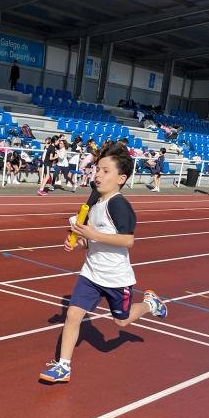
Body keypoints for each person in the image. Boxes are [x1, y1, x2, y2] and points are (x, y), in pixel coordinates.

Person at [39, 145, 167, 383]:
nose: (98, 174)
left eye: (106, 171)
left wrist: (93, 234)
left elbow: (128, 240)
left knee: (121, 321)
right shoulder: (94, 205)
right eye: (97, 169)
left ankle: (150, 304)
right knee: (73, 314)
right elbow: (90, 242)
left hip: (116, 277)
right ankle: (63, 366)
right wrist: (78, 243)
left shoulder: (118, 205)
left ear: (121, 179)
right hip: (91, 273)